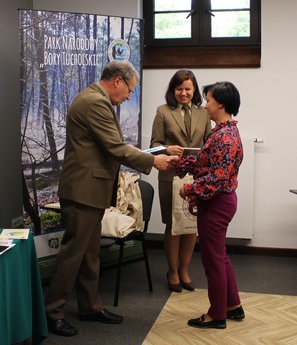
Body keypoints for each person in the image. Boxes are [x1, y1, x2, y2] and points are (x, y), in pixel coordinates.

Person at [45, 60, 179, 337]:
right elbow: (115, 147)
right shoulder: (96, 102)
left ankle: (90, 306)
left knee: (90, 254)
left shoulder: (95, 99)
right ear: (117, 80)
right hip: (82, 191)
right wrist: (154, 162)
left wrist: (154, 152)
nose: (129, 96)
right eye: (130, 89)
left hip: (90, 190)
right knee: (73, 255)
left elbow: (113, 145)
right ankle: (52, 313)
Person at [177, 81, 245, 329]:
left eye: (208, 100)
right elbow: (209, 166)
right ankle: (233, 306)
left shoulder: (225, 136)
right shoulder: (222, 131)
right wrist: (182, 161)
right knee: (220, 257)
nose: (206, 105)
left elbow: (217, 178)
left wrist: (189, 190)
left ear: (221, 104)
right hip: (219, 202)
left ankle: (217, 315)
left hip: (217, 204)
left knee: (212, 261)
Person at [150, 70, 212, 293]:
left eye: (187, 89)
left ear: (194, 90)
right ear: (172, 90)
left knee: (191, 225)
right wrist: (166, 148)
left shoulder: (204, 113)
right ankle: (172, 271)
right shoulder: (163, 111)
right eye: (179, 89)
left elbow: (209, 143)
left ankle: (185, 269)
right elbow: (153, 145)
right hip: (170, 175)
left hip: (197, 176)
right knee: (173, 224)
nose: (183, 93)